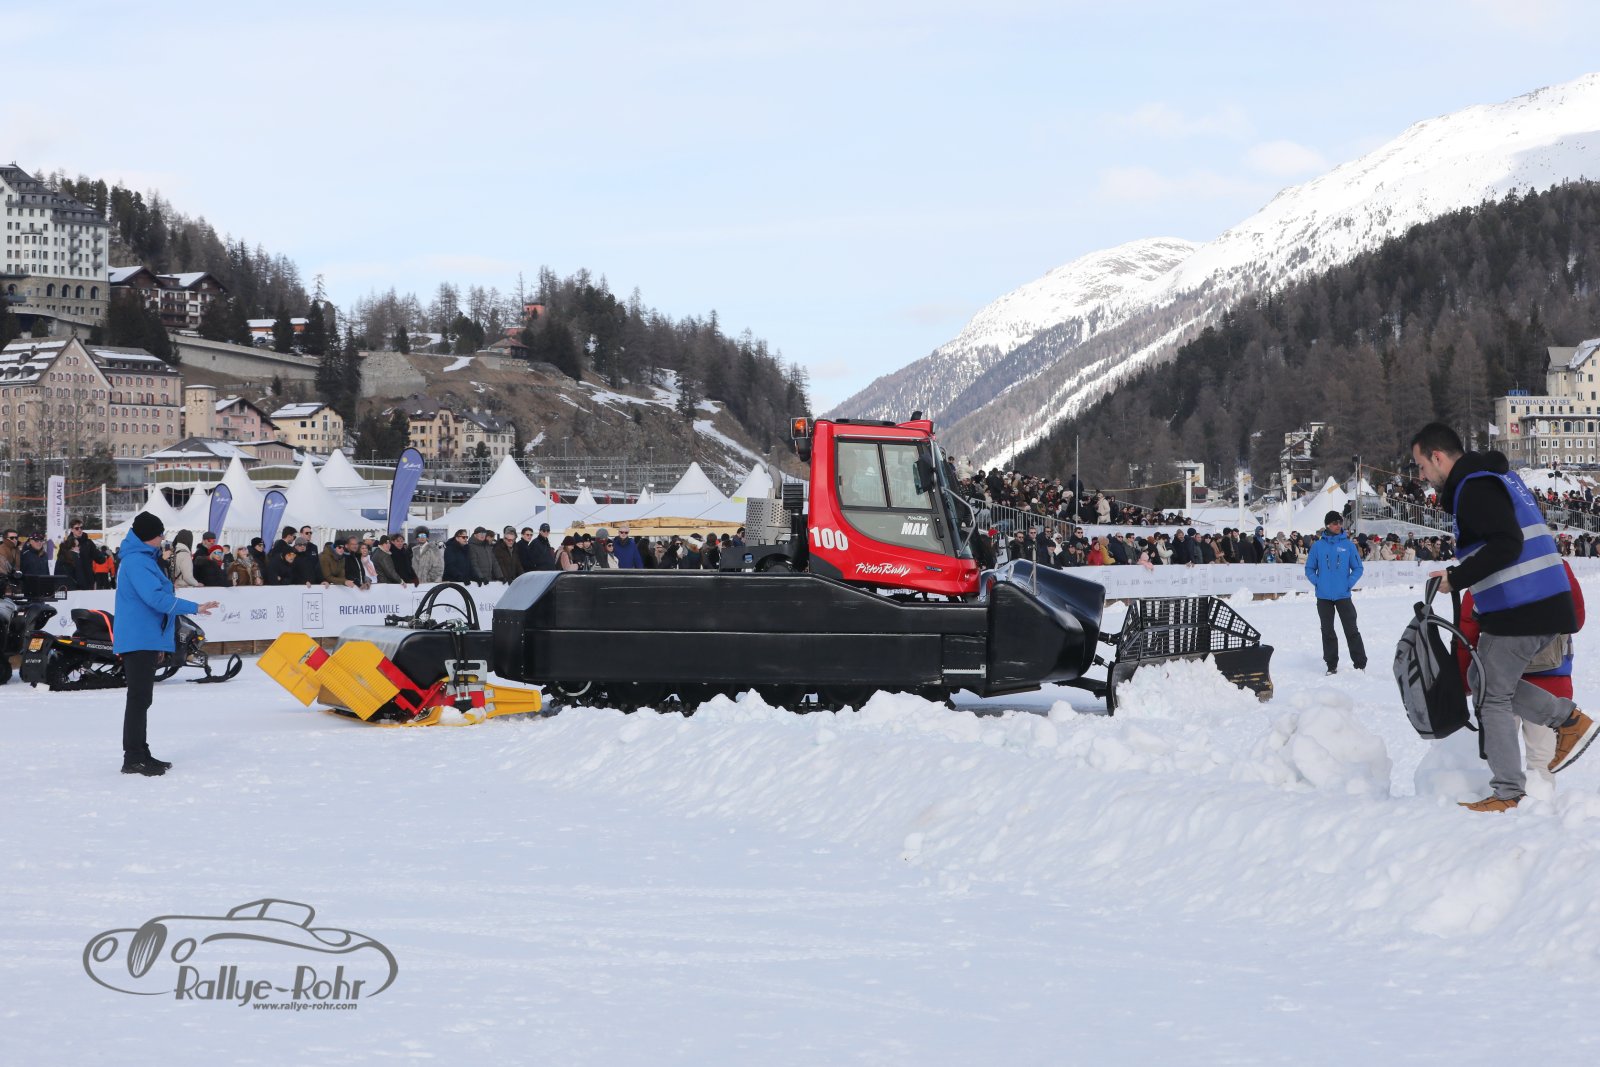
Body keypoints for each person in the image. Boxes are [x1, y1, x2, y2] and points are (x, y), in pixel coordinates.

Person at [1412, 421, 1596, 812]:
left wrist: (1457, 578)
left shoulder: (1474, 488)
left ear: (1437, 457)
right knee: (1484, 679)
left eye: (1422, 466)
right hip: (1536, 600)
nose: (1422, 476)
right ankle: (1568, 721)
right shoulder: (1491, 480)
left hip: (1523, 604)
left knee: (1492, 695)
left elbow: (1507, 545)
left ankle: (1509, 792)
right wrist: (1458, 574)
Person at [1456, 560, 1585, 791]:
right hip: (1551, 681)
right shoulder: (1555, 563)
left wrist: (1465, 683)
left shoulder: (1484, 568)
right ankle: (1540, 807)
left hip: (1498, 684)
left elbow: (1467, 633)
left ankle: (1506, 802)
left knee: (1501, 758)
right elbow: (1576, 618)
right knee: (1542, 761)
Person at [113, 511, 219, 776]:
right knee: (138, 699)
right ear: (148, 536)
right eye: (159, 534)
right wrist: (195, 607)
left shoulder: (144, 559)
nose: (162, 538)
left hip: (145, 638)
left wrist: (159, 643)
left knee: (142, 699)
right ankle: (133, 757)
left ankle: (141, 753)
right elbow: (156, 599)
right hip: (138, 638)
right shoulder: (137, 562)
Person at [1304, 510, 1367, 676]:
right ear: (1327, 525)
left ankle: (1360, 664)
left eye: (1340, 523)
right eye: (1334, 523)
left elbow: (1358, 568)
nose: (1338, 526)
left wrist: (1348, 583)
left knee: (1351, 630)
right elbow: (1309, 568)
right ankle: (1331, 665)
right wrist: (1318, 582)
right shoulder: (1317, 546)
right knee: (1327, 631)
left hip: (1343, 595)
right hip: (1323, 597)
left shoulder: (1348, 545)